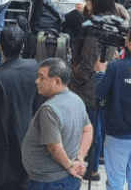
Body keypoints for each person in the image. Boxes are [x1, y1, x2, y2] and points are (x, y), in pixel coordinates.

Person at [70, 0, 129, 182]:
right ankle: (97, 162)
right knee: (99, 124)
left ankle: (92, 168)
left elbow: (88, 62)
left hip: (88, 86)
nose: (87, 4)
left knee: (93, 126)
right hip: (101, 81)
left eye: (89, 0)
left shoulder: (96, 31)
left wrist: (75, 77)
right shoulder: (114, 23)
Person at [0, 25, 40, 190]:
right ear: (22, 47)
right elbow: (37, 103)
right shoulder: (34, 66)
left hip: (3, 146)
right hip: (27, 140)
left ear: (0, 47)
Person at [21, 58, 93, 190]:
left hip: (49, 183)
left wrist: (71, 166)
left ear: (57, 81)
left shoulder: (49, 110)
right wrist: (80, 157)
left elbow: (55, 148)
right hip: (65, 180)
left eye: (42, 78)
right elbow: (88, 129)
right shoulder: (76, 99)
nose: (37, 81)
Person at [95, 27, 131, 190]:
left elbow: (99, 94)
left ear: (128, 42)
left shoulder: (115, 67)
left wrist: (101, 73)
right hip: (119, 134)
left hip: (118, 135)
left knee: (115, 182)